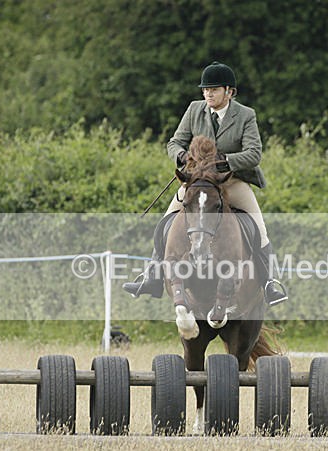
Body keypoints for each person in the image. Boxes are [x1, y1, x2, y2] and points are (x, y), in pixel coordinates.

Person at [123, 61, 288, 306]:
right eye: (205, 89)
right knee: (165, 224)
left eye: (214, 89)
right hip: (199, 184)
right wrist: (180, 156)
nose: (208, 93)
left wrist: (226, 160)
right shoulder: (194, 110)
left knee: (259, 230)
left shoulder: (245, 115)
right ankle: (151, 276)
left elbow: (254, 154)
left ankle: (269, 283)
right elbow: (174, 142)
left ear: (229, 91)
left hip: (231, 181)